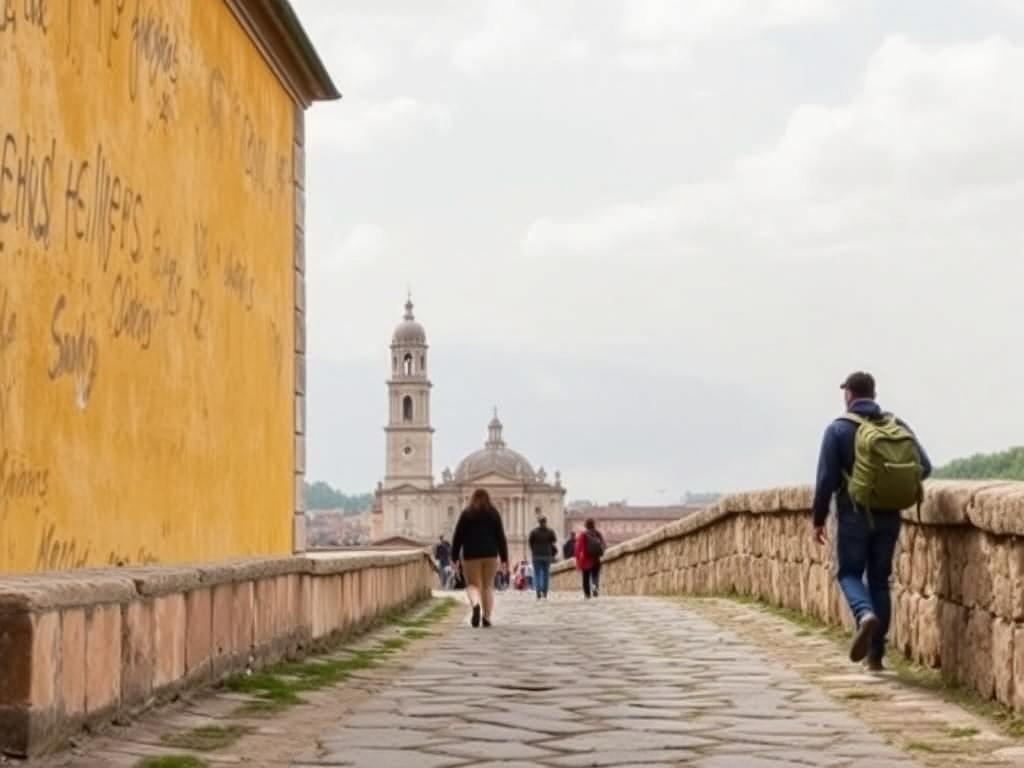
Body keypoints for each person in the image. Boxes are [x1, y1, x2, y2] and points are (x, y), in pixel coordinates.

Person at [812, 371, 931, 671]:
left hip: (853, 513)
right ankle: (876, 656)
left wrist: (818, 519)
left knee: (848, 573)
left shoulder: (838, 430)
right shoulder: (897, 426)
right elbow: (924, 468)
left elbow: (826, 480)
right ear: (874, 395)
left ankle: (863, 614)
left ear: (848, 395)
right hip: (889, 514)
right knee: (879, 581)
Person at [451, 489, 509, 628]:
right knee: (488, 586)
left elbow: (457, 536)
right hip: (490, 554)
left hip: (471, 555)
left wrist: (454, 557)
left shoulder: (467, 513)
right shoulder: (494, 513)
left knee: (473, 585)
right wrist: (504, 557)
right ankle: (487, 617)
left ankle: (476, 605)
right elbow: (501, 537)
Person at [574, 519, 605, 599]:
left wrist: (578, 559)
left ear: (586, 525)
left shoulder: (583, 534)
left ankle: (587, 594)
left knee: (586, 578)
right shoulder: (597, 533)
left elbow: (578, 548)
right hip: (596, 559)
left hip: (586, 559)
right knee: (595, 575)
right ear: (593, 524)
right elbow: (603, 544)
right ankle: (595, 586)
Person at [528, 516, 558, 599]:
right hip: (547, 555)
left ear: (539, 522)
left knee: (537, 574)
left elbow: (530, 542)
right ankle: (544, 592)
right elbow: (554, 540)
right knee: (546, 575)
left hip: (536, 555)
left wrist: (533, 550)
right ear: (546, 522)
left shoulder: (534, 532)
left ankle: (538, 591)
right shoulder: (550, 531)